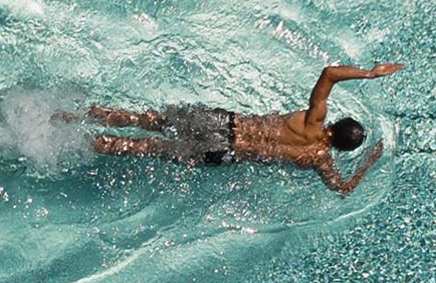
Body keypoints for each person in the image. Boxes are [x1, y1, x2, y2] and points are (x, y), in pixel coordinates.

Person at [89, 61, 403, 194]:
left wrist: (370, 74)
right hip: (225, 152)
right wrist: (369, 161)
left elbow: (330, 74)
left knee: (148, 120)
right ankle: (87, 143)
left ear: (335, 123)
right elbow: (342, 188)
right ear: (341, 148)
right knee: (142, 148)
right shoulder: (321, 160)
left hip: (225, 123)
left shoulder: (313, 120)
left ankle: (81, 115)